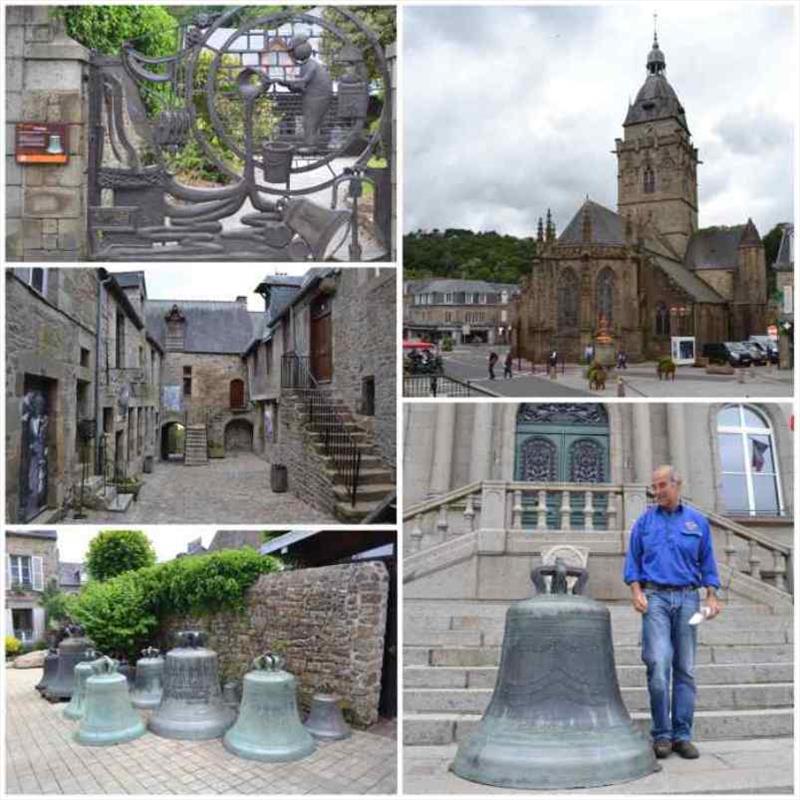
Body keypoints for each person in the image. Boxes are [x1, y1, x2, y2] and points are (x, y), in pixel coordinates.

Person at [623, 466, 722, 761]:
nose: (658, 490)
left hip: (689, 600)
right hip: (654, 599)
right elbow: (633, 562)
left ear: (677, 485)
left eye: (663, 484)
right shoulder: (644, 523)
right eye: (654, 486)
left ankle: (682, 735)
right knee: (657, 664)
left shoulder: (697, 523)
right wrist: (636, 592)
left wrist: (712, 596)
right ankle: (662, 734)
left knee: (686, 668)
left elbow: (708, 562)